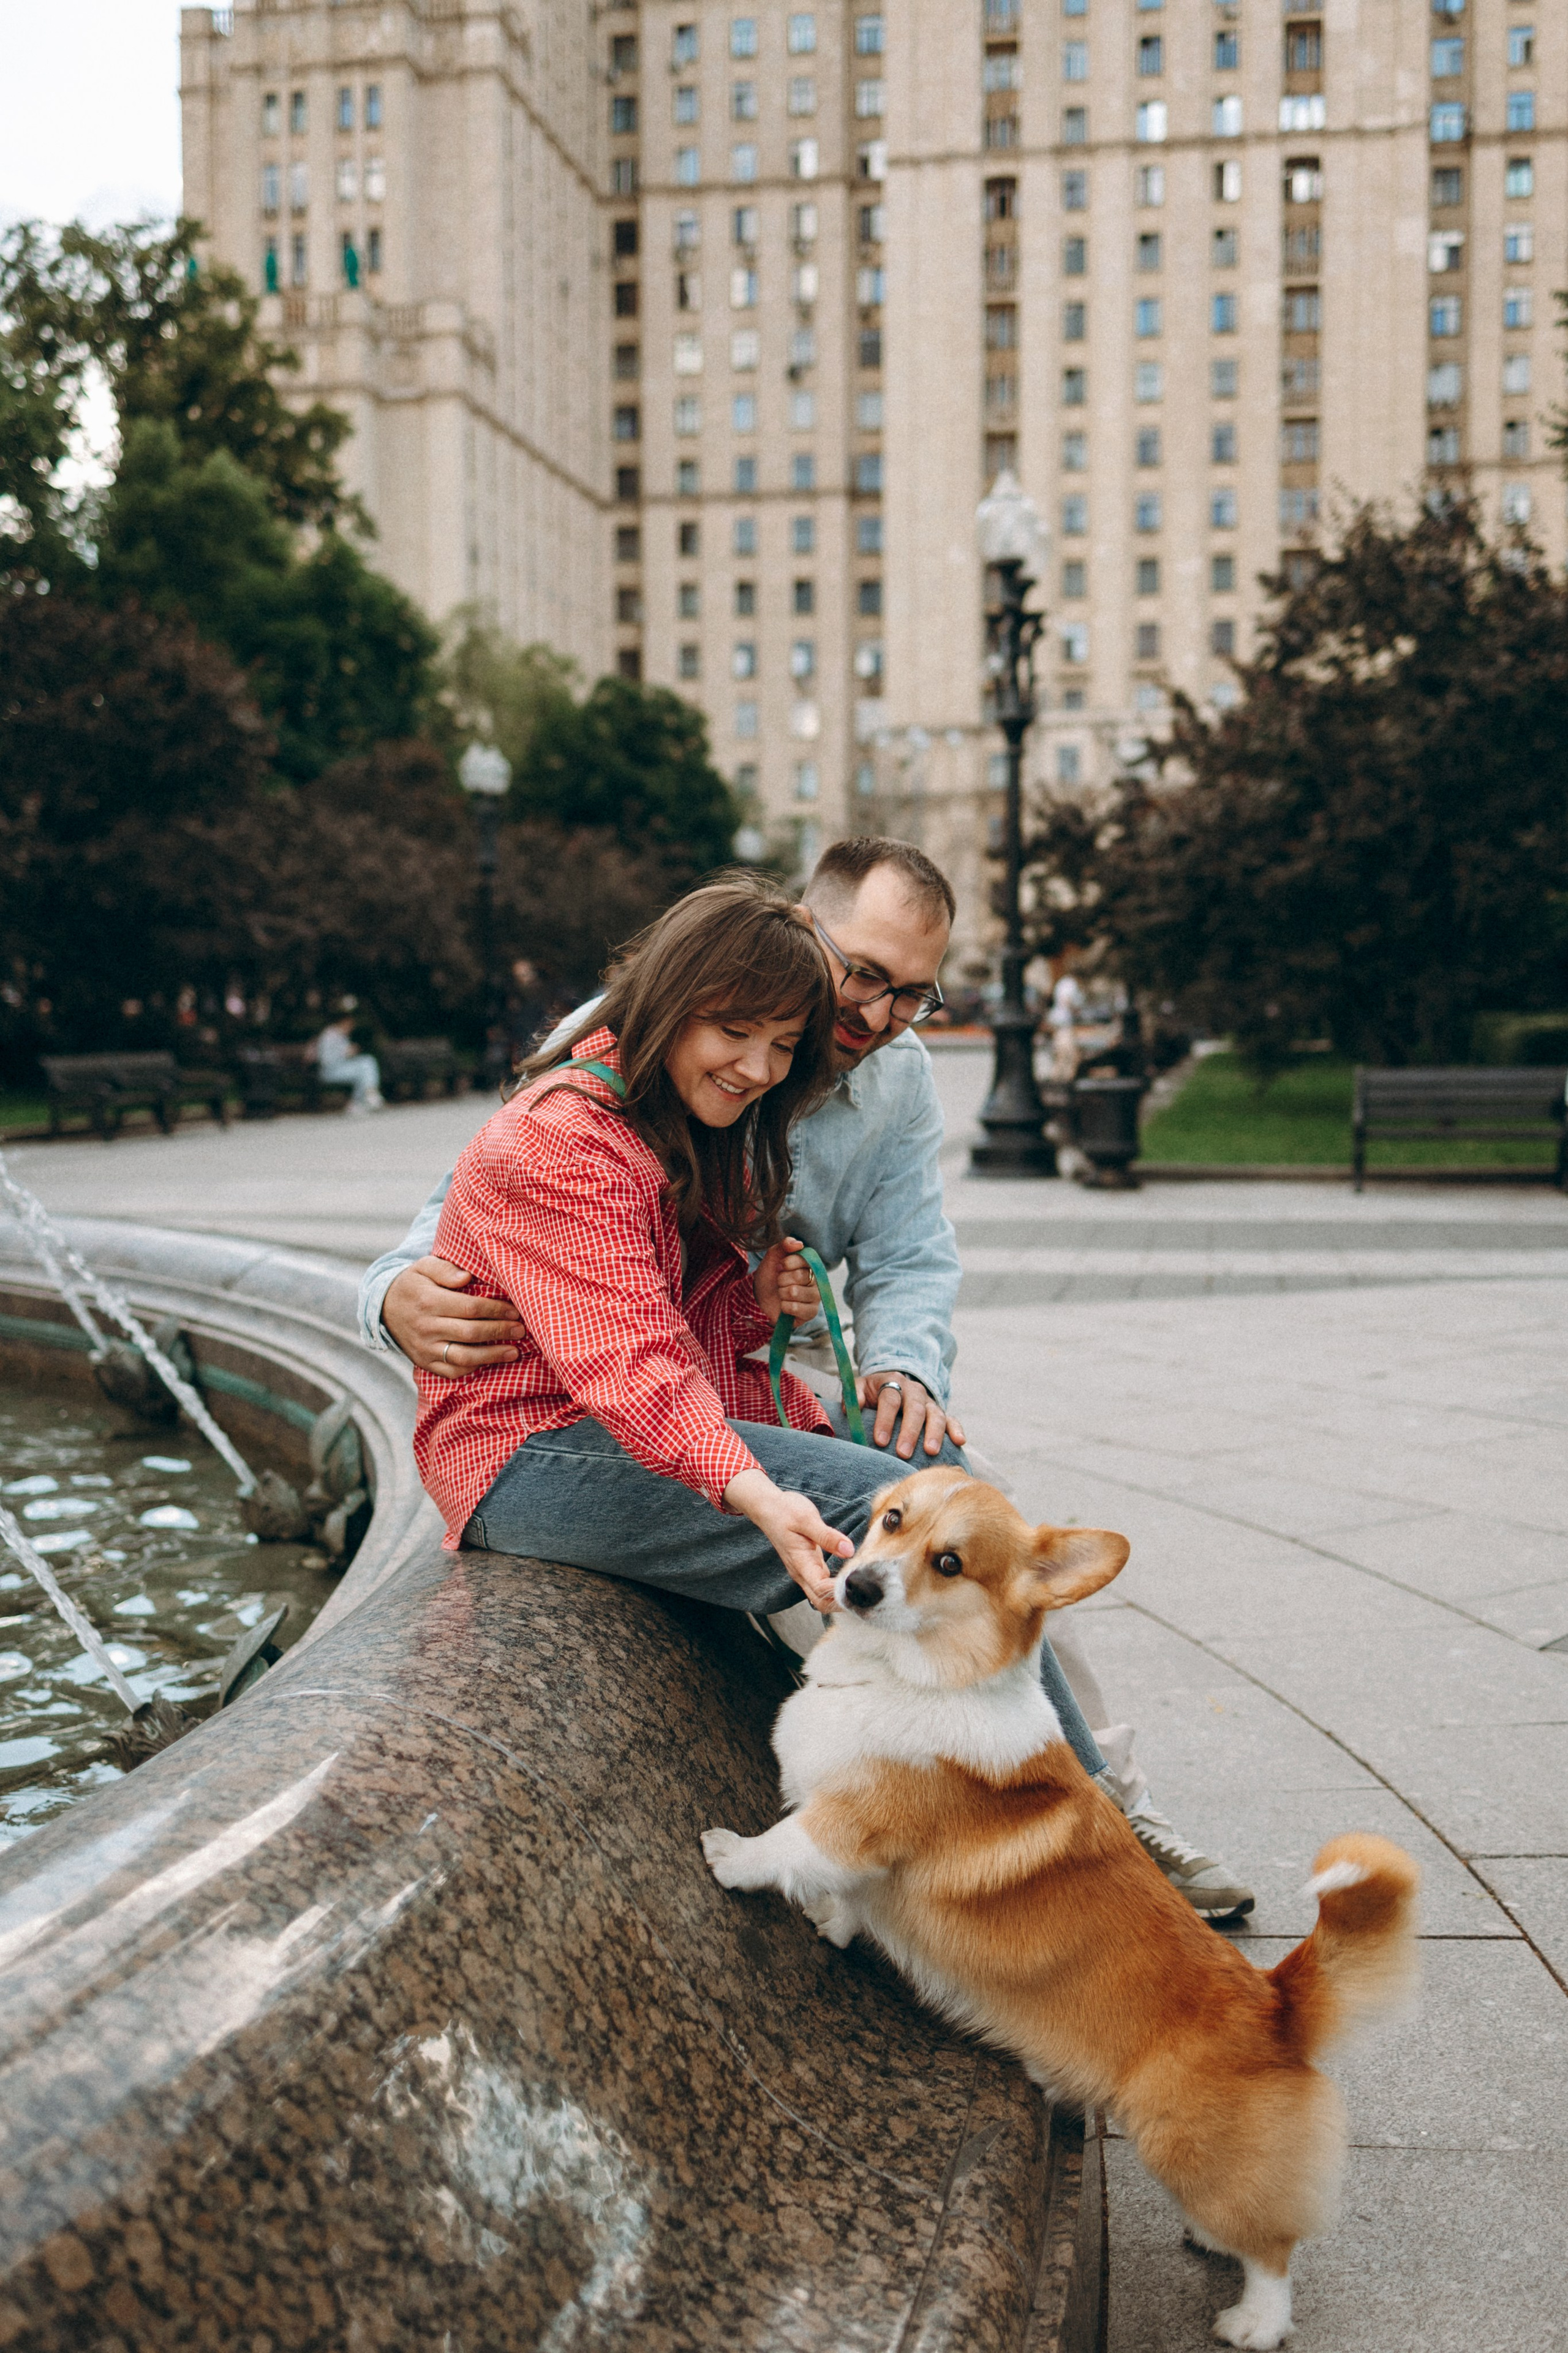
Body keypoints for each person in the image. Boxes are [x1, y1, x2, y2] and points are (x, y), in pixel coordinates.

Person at [362, 841, 1254, 1917]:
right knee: (874, 1515)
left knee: (940, 1489)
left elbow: (899, 1251)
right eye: (862, 975)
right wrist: (389, 1295)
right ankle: (1058, 1841)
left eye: (912, 996)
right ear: (792, 937)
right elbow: (567, 1297)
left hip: (705, 1382)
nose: (873, 1016)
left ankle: (1067, 1807)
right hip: (551, 1427)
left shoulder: (861, 1073)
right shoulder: (614, 1065)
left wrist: (855, 1342)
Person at [407, 871, 1109, 1788]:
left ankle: (1030, 1811)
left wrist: (758, 1304)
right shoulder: (568, 1133)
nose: (760, 1067)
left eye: (783, 1045)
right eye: (735, 1034)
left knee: (939, 1496)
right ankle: (1085, 1825)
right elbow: (628, 1363)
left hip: (618, 1419)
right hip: (522, 1450)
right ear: (671, 1001)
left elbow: (721, 1298)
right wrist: (749, 1486)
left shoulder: (692, 1105)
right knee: (884, 1510)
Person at [316, 1006, 383, 1115]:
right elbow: (325, 1060)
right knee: (365, 1068)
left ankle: (364, 1098)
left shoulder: (341, 1035)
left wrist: (349, 1053)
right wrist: (345, 1053)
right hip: (329, 1071)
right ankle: (368, 1096)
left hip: (340, 1068)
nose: (352, 1027)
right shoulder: (330, 1035)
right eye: (350, 1024)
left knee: (367, 1062)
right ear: (343, 1022)